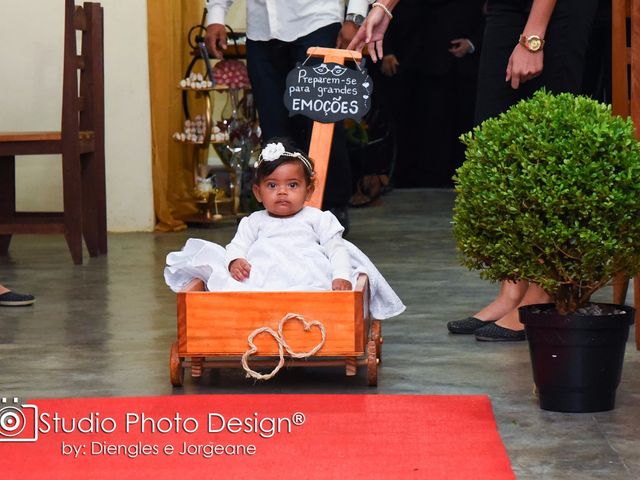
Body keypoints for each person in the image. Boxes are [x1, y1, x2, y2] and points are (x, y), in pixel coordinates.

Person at [447, 0, 598, 341]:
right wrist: (383, 7)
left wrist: (533, 37)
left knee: (547, 145)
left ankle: (543, 292)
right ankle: (512, 290)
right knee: (495, 137)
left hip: (560, 11)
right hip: (508, 6)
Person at [165, 140, 405, 320]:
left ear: (308, 191)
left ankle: (306, 318)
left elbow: (336, 250)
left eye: (292, 185)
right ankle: (257, 319)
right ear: (258, 192)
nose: (282, 192)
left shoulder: (317, 219)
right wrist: (234, 260)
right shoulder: (254, 221)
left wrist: (340, 276)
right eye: (272, 185)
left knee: (313, 289)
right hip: (262, 278)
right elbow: (236, 246)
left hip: (305, 274)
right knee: (236, 283)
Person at [204, 0, 374, 233]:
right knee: (273, 127)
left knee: (321, 123)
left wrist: (355, 16)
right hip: (262, 31)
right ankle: (281, 215)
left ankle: (332, 210)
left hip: (317, 22)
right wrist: (215, 15)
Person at [379, 0, 485, 188]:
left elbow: (490, 12)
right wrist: (388, 49)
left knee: (468, 124)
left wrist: (472, 42)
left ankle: (467, 177)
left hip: (472, 65)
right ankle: (428, 178)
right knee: (430, 124)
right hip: (425, 60)